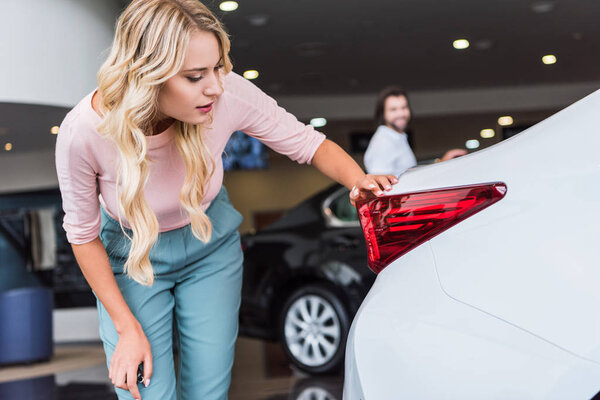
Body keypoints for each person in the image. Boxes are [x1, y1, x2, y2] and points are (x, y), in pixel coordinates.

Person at [54, 1, 396, 399]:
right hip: (133, 259)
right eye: (196, 76)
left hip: (209, 246)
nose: (215, 86)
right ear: (148, 75)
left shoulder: (225, 92)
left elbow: (306, 142)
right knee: (149, 393)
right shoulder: (84, 132)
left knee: (206, 393)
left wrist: (358, 180)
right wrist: (125, 328)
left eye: (218, 67)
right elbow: (82, 234)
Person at [363, 86, 467, 176]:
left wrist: (442, 162)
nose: (401, 114)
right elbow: (381, 188)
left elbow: (408, 174)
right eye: (393, 109)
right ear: (383, 114)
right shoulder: (383, 142)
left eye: (404, 107)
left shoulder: (397, 137)